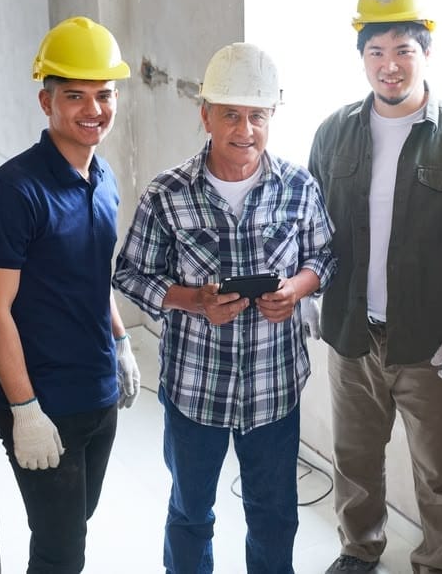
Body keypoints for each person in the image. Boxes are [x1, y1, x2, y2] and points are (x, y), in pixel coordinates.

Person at [112, 42, 336, 574]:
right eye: (231, 115)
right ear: (205, 115)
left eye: (257, 116)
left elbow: (325, 254)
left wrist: (296, 290)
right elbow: (129, 273)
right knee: (191, 513)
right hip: (196, 390)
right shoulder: (168, 194)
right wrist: (193, 301)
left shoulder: (298, 187)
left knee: (274, 514)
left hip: (272, 388)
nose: (245, 129)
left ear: (272, 117)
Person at [308, 0, 442, 574]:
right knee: (355, 457)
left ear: (427, 52)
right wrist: (310, 292)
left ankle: (440, 562)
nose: (390, 66)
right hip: (352, 332)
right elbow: (312, 228)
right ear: (361, 56)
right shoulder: (334, 133)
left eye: (403, 51)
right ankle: (359, 550)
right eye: (377, 52)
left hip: (430, 339)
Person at [0, 15, 141, 573]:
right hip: (44, 400)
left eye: (104, 95)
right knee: (60, 553)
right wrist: (25, 411)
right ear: (46, 102)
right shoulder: (11, 195)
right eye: (75, 96)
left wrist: (120, 343)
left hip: (97, 391)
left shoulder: (103, 177)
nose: (94, 110)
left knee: (75, 524)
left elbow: (94, 275)